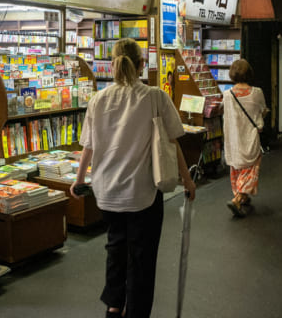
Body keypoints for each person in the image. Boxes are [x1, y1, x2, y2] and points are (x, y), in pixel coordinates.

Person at [71, 38, 195, 318]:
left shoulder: (98, 100)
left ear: (112, 64)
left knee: (115, 248)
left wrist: (78, 181)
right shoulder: (155, 97)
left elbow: (88, 147)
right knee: (142, 257)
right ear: (142, 64)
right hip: (143, 194)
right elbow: (173, 143)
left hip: (107, 193)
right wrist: (187, 180)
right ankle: (136, 312)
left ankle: (114, 307)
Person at [222, 59, 268, 217]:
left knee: (237, 168)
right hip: (250, 137)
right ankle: (238, 198)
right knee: (252, 166)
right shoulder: (257, 93)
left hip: (233, 140)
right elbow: (262, 111)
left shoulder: (227, 95)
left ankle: (243, 197)